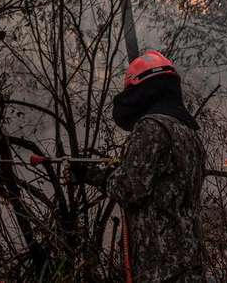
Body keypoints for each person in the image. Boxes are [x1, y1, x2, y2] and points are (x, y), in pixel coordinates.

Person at [76, 50, 208, 282]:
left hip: (160, 266)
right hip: (190, 262)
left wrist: (93, 175)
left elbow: (130, 188)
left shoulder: (151, 128)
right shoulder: (188, 132)